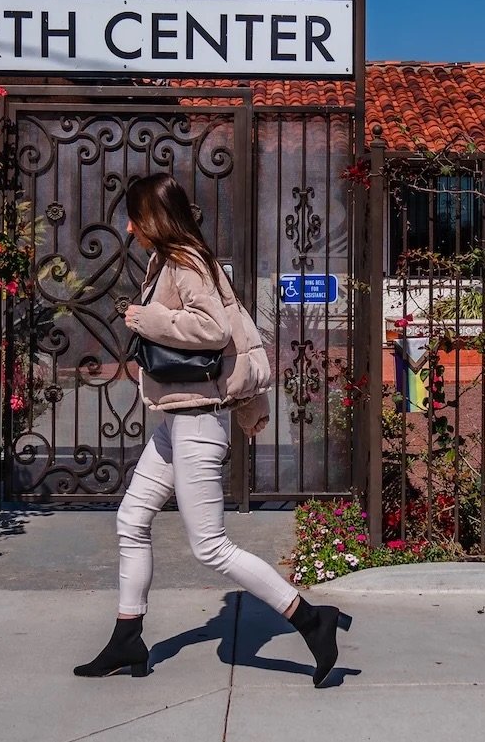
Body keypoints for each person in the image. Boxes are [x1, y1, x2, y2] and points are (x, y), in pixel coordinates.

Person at [73, 173, 352, 686]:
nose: (130, 227)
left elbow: (213, 330)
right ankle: (127, 638)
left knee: (210, 547)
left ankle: (313, 620)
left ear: (152, 219)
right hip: (176, 420)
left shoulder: (185, 263)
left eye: (134, 216)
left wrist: (145, 318)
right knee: (131, 520)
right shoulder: (172, 261)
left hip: (198, 422)